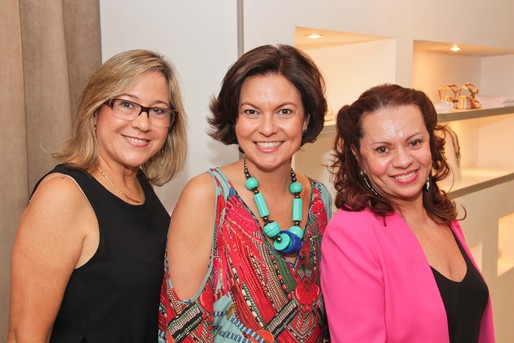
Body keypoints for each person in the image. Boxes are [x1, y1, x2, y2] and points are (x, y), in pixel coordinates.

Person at [7, 49, 187, 342]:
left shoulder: (139, 185)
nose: (143, 123)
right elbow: (23, 335)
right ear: (95, 111)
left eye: (157, 110)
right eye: (127, 104)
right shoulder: (62, 194)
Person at [158, 44, 332, 342]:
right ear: (234, 120)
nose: (267, 128)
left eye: (284, 112)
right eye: (251, 112)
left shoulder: (319, 198)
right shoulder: (206, 195)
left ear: (305, 120)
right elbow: (180, 326)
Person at [321, 83, 495, 342]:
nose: (403, 160)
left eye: (414, 142)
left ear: (430, 142)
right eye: (383, 149)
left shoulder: (440, 215)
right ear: (358, 157)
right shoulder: (350, 235)